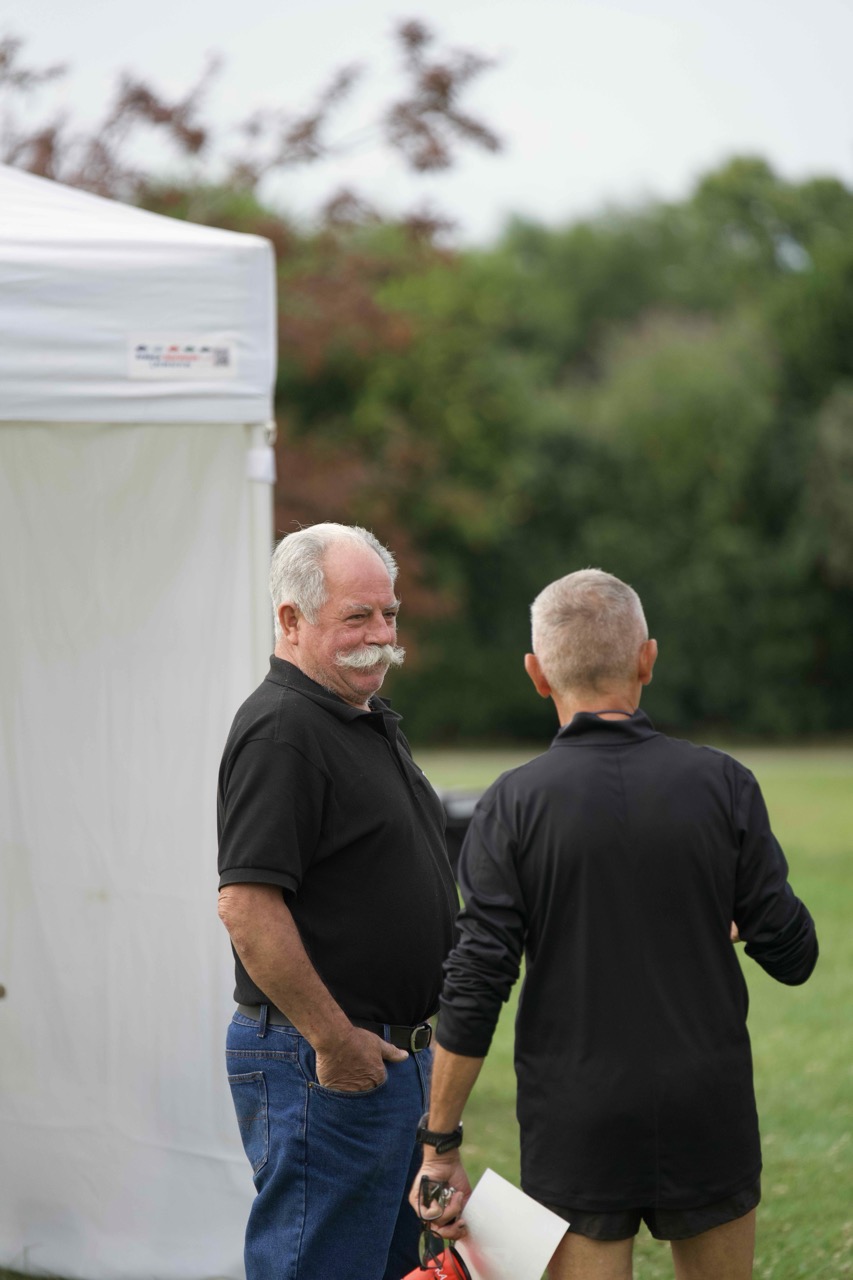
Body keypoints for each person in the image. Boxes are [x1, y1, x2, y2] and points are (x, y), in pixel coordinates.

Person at [409, 568, 818, 1280]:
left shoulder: (512, 803)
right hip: (706, 1102)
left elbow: (476, 980)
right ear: (646, 659)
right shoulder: (724, 783)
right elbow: (794, 954)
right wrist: (734, 916)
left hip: (576, 1114)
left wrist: (439, 1142)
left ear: (537, 674)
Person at [217, 522, 459, 1280]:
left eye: (389, 614)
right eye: (358, 617)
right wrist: (334, 1042)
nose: (382, 635)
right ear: (291, 619)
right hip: (324, 1062)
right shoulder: (282, 730)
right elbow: (247, 906)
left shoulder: (358, 719)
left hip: (389, 1060)